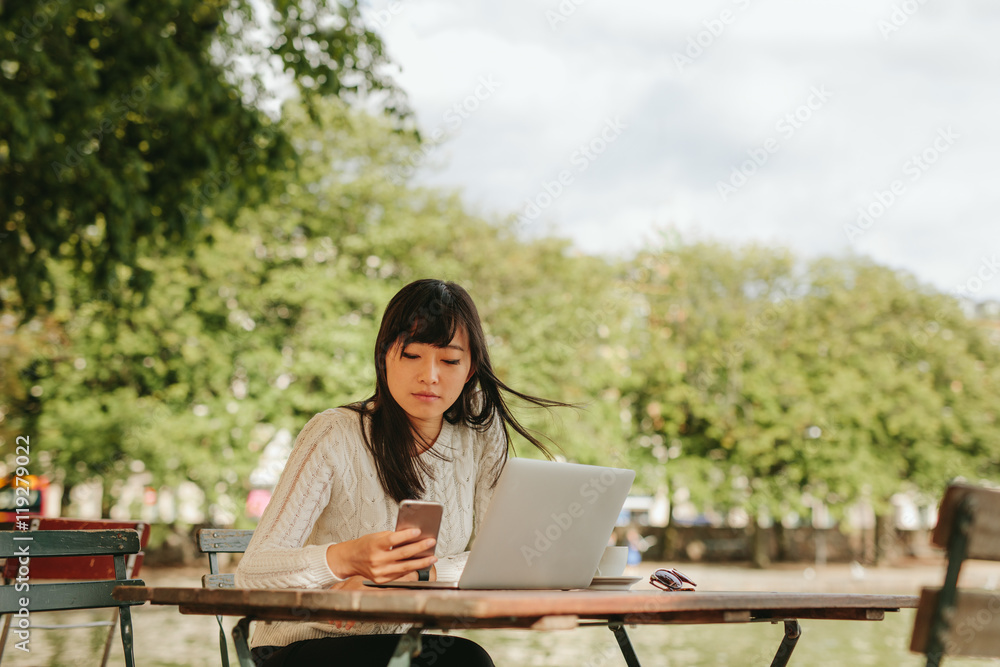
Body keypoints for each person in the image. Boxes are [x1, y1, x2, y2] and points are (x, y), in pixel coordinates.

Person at [236, 279, 567, 666]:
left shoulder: (479, 435)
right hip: (301, 645)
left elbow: (503, 560)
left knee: (462, 659)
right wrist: (345, 558)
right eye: (411, 355)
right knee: (464, 662)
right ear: (384, 356)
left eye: (449, 360)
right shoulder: (334, 433)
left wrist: (412, 576)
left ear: (470, 367)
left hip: (405, 649)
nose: (430, 375)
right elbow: (253, 573)